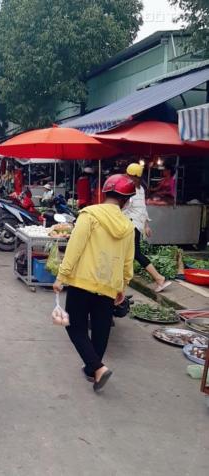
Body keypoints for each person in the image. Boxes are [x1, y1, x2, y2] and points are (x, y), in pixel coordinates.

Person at [53, 174, 136, 392]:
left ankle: (98, 368)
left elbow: (75, 247)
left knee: (74, 326)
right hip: (109, 285)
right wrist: (122, 286)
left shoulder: (89, 215)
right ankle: (92, 371)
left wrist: (62, 276)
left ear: (104, 192)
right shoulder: (127, 226)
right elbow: (128, 260)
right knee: (100, 330)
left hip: (83, 282)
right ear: (126, 201)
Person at [124, 163, 172, 293]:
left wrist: (146, 225)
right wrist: (146, 225)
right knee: (130, 253)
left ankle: (159, 278)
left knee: (135, 253)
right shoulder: (140, 189)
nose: (127, 177)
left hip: (130, 225)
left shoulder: (130, 189)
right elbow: (143, 209)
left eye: (129, 175)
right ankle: (122, 282)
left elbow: (128, 208)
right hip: (134, 225)